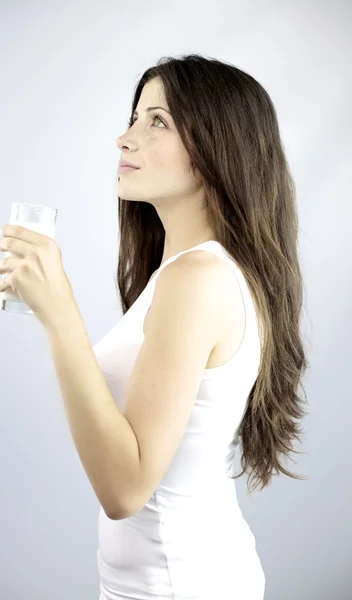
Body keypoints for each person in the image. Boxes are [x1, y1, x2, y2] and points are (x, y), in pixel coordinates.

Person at [94, 53, 309, 600]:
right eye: (134, 117)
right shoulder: (187, 272)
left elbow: (125, 487)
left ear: (217, 149)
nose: (125, 138)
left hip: (182, 584)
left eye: (157, 121)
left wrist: (57, 314)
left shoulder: (198, 277)